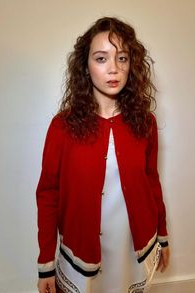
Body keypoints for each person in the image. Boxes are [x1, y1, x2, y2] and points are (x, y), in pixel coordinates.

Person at [36, 16, 170, 293]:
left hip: (130, 248)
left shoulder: (145, 123)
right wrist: (45, 262)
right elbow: (48, 194)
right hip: (81, 248)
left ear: (131, 65)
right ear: (85, 67)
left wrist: (163, 236)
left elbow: (152, 182)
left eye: (122, 58)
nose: (113, 69)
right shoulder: (63, 126)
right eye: (101, 58)